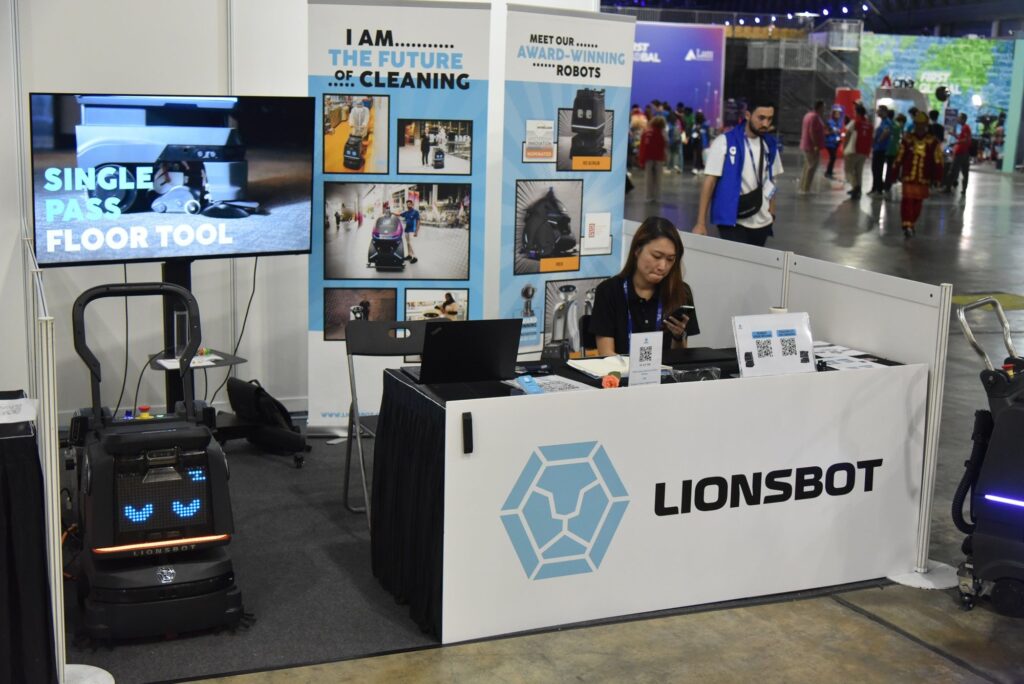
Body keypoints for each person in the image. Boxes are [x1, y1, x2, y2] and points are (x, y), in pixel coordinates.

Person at [588, 216, 699, 355]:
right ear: (637, 250)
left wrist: (678, 336)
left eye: (670, 259)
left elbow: (680, 357)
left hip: (665, 369)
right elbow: (606, 353)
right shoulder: (609, 291)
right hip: (621, 368)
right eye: (656, 256)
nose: (662, 266)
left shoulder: (680, 292)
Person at [691, 98, 783, 247]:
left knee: (753, 262)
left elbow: (771, 179)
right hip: (732, 221)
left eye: (769, 119)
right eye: (761, 118)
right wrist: (700, 223)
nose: (766, 124)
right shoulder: (724, 142)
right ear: (748, 115)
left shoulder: (770, 144)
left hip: (762, 222)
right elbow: (710, 181)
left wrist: (772, 212)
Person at [889, 111, 944, 238]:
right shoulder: (907, 139)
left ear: (926, 125)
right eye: (917, 124)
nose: (920, 127)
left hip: (923, 177)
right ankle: (906, 224)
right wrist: (894, 173)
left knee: (918, 202)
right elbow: (899, 157)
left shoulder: (933, 142)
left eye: (922, 124)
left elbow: (938, 160)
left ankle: (911, 223)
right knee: (907, 200)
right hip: (908, 176)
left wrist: (938, 177)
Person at [843, 103, 873, 200]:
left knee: (848, 170)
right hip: (864, 152)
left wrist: (844, 147)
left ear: (857, 112)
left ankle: (855, 186)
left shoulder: (855, 122)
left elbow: (847, 135)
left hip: (853, 150)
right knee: (859, 171)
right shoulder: (869, 125)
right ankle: (858, 189)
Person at [637, 115, 668, 203]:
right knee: (658, 179)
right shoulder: (663, 133)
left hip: (648, 158)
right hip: (659, 158)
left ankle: (648, 197)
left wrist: (641, 159)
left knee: (648, 178)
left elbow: (643, 147)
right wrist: (665, 157)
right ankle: (657, 197)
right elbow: (665, 145)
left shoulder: (646, 132)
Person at [799, 100, 826, 194]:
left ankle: (803, 187)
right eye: (823, 107)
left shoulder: (808, 115)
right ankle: (806, 189)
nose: (824, 109)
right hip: (811, 146)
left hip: (806, 144)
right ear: (819, 107)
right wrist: (816, 145)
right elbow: (812, 131)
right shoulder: (815, 117)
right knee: (811, 167)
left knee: (807, 166)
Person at [943, 112, 972, 194]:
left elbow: (965, 140)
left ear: (963, 119)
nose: (957, 119)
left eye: (959, 117)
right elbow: (962, 138)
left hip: (961, 153)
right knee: (964, 172)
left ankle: (948, 188)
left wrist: (955, 143)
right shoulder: (965, 128)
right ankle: (963, 189)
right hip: (964, 153)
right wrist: (954, 135)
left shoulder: (965, 128)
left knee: (953, 170)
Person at [868, 105, 891, 195]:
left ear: (884, 112)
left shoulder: (887, 122)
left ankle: (878, 189)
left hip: (881, 149)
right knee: (875, 169)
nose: (878, 112)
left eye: (879, 110)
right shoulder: (882, 122)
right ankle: (875, 187)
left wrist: (879, 140)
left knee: (878, 169)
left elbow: (886, 132)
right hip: (877, 148)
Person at [883, 113, 905, 194]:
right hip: (894, 150)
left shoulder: (893, 126)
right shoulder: (899, 127)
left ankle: (887, 184)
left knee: (889, 168)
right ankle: (889, 183)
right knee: (891, 168)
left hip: (890, 150)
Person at [824, 107, 843, 179]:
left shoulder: (839, 123)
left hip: (835, 143)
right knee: (833, 157)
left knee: (833, 157)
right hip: (829, 143)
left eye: (839, 114)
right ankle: (828, 172)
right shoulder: (829, 122)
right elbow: (825, 132)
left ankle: (830, 170)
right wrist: (832, 132)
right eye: (836, 113)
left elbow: (839, 132)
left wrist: (839, 137)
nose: (838, 115)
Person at [399, 199, 420, 263]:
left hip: (412, 230)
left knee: (411, 244)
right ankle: (409, 255)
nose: (408, 205)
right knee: (408, 243)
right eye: (407, 204)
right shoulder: (406, 212)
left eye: (410, 204)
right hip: (406, 230)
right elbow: (399, 214)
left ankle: (415, 257)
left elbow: (418, 222)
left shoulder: (415, 212)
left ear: (412, 204)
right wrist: (391, 213)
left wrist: (416, 231)